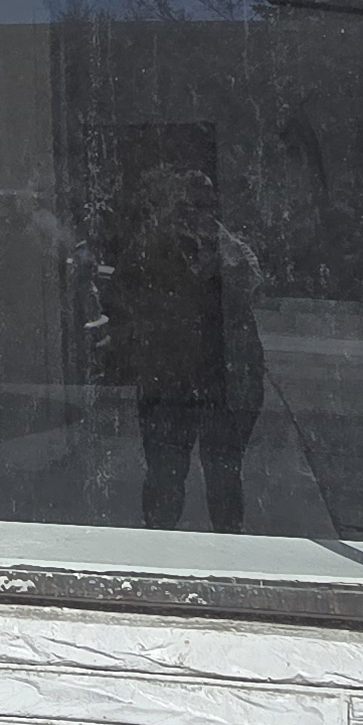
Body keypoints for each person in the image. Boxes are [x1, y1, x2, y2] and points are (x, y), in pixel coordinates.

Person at [93, 147, 264, 533]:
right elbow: (118, 300)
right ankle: (160, 550)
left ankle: (231, 551)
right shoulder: (149, 245)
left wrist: (215, 246)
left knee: (224, 477)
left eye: (204, 206)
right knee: (165, 478)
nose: (195, 214)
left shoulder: (230, 248)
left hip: (224, 379)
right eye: (188, 205)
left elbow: (251, 289)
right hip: (167, 380)